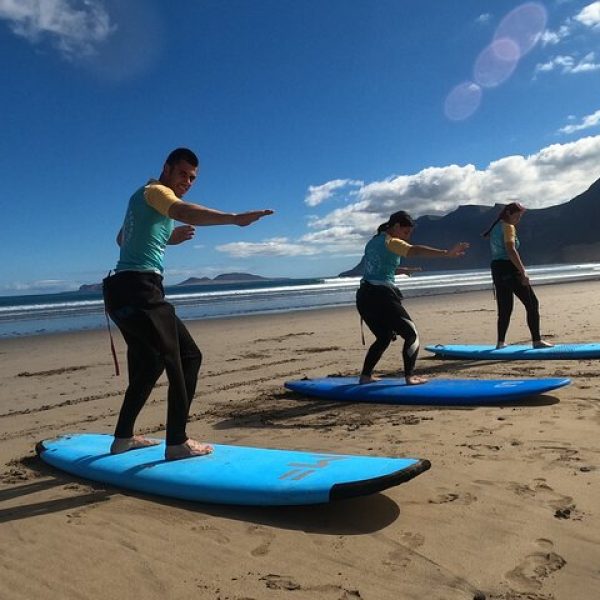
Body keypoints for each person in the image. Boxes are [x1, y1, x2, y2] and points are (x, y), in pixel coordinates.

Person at [103, 148, 273, 460]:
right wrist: (234, 219)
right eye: (183, 174)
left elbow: (121, 239)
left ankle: (123, 438)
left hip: (120, 291)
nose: (188, 181)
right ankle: (177, 442)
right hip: (141, 290)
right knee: (188, 356)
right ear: (166, 168)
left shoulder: (140, 198)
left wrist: (168, 238)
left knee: (150, 363)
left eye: (193, 178)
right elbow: (184, 210)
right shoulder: (156, 191)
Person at [356, 210, 469, 385]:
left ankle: (365, 376)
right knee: (411, 335)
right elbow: (414, 250)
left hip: (364, 296)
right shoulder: (391, 241)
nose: (407, 237)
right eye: (405, 232)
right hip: (381, 296)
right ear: (395, 226)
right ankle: (410, 376)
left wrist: (402, 271)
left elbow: (377, 269)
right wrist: (446, 253)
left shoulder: (373, 242)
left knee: (384, 337)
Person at [482, 201, 552, 350]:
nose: (518, 219)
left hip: (497, 269)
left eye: (520, 217)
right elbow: (511, 250)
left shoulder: (496, 227)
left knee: (505, 308)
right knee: (532, 303)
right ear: (508, 213)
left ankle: (500, 343)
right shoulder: (508, 227)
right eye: (517, 216)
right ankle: (537, 341)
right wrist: (523, 271)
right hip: (509, 268)